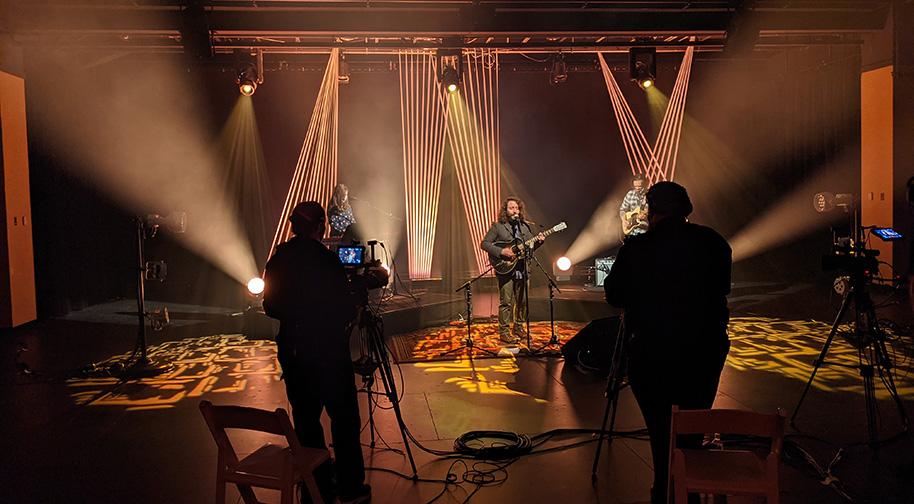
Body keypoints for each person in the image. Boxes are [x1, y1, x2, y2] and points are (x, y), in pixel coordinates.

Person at [604, 182, 731, 504]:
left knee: (661, 432)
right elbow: (722, 288)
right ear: (685, 207)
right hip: (705, 349)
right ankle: (687, 487)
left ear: (650, 208)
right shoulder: (714, 242)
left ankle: (665, 488)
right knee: (690, 428)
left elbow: (614, 296)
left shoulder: (638, 247)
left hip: (652, 351)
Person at [262, 201, 371, 504]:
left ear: (294, 226)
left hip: (295, 351)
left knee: (307, 421)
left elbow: (269, 306)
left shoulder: (279, 259)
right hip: (329, 351)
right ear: (321, 226)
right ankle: (350, 488)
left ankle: (316, 488)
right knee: (345, 419)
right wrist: (355, 309)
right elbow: (343, 308)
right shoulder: (327, 261)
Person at [480, 197, 545, 343]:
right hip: (505, 268)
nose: (514, 210)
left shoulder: (525, 227)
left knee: (522, 301)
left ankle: (519, 327)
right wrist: (502, 252)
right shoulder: (498, 226)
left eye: (517, 208)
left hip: (522, 267)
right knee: (506, 302)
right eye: (511, 208)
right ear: (505, 210)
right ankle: (504, 331)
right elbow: (484, 244)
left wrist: (539, 242)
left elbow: (530, 247)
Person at [620, 173, 649, 238]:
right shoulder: (630, 194)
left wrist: (646, 218)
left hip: (645, 232)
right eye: (635, 186)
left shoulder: (650, 196)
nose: (637, 188)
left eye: (640, 186)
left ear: (645, 185)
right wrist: (624, 221)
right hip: (631, 232)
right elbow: (622, 210)